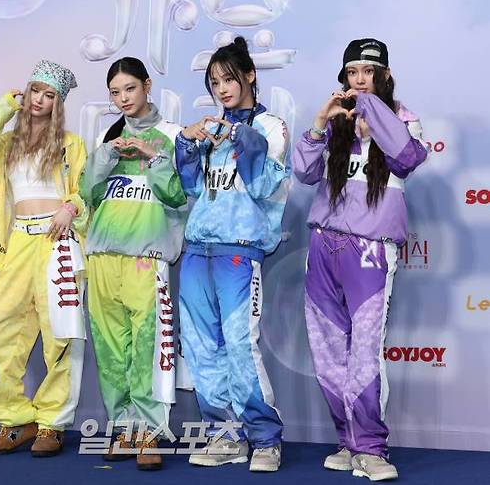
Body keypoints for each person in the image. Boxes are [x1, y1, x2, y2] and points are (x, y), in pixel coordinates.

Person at [293, 38, 429, 481]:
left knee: (365, 353)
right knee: (328, 351)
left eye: (368, 71)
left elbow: (406, 158)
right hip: (323, 246)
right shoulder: (339, 124)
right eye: (352, 73)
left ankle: (370, 448)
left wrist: (371, 109)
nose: (360, 80)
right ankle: (348, 442)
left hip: (370, 251)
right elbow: (304, 173)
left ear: (385, 76)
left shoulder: (403, 120)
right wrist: (320, 123)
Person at [175, 37, 290, 473]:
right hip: (196, 250)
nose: (221, 89)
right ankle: (225, 434)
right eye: (214, 82)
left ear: (250, 76)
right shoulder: (211, 129)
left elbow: (264, 186)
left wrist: (242, 136)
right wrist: (186, 144)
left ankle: (265, 438)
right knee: (202, 348)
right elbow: (191, 189)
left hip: (239, 251)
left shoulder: (270, 127)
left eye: (228, 79)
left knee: (241, 346)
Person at [0, 60, 87, 457]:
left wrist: (71, 206)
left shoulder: (71, 144)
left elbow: (86, 189)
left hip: (59, 241)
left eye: (49, 95)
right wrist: (5, 106)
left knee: (61, 333)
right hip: (17, 241)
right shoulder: (7, 145)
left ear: (58, 103)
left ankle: (53, 422)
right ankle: (15, 418)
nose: (38, 100)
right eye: (35, 90)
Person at [79, 57, 187, 471]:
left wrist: (150, 154)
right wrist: (107, 155)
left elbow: (179, 196)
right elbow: (87, 193)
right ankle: (122, 428)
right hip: (103, 256)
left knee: (147, 347)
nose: (123, 98)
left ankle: (150, 432)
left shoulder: (173, 136)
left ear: (147, 86)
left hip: (146, 258)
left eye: (130, 89)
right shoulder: (108, 137)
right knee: (110, 351)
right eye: (115, 92)